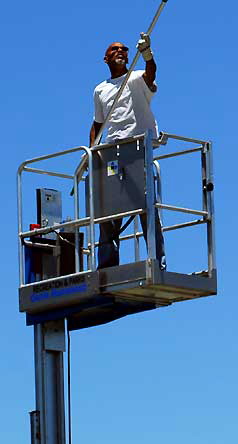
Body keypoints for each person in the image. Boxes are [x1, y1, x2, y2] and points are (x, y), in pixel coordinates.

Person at [90, 34, 165, 270]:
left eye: (124, 49)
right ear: (106, 58)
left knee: (145, 205)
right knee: (108, 208)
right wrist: (92, 153)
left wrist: (147, 55)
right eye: (115, 50)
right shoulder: (100, 90)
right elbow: (97, 124)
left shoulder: (135, 78)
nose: (121, 51)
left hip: (137, 150)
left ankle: (156, 259)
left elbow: (150, 74)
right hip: (112, 153)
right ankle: (108, 265)